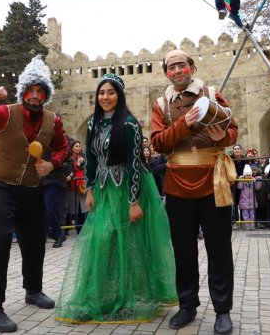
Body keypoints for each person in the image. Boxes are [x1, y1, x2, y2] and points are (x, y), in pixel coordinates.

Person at [0, 56, 68, 333]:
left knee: (35, 240)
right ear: (23, 91)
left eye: (40, 91)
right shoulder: (5, 112)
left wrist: (52, 163)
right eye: (30, 90)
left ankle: (33, 290)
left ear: (46, 94)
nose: (34, 95)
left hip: (31, 186)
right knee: (1, 240)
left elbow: (63, 147)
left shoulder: (53, 121)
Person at [55, 73, 177, 323]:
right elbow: (89, 158)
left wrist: (134, 203)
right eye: (102, 92)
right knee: (101, 242)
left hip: (126, 191)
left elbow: (135, 163)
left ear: (119, 96)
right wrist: (89, 190)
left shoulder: (130, 124)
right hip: (102, 189)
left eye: (111, 92)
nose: (105, 97)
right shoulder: (93, 124)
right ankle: (99, 297)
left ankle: (131, 297)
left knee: (128, 243)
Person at [150, 49, 239, 335]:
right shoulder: (161, 104)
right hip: (177, 185)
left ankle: (222, 311)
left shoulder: (212, 94)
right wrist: (183, 124)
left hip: (214, 182)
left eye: (181, 65)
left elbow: (232, 129)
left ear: (191, 67)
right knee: (184, 250)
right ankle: (187, 305)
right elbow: (158, 143)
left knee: (219, 249)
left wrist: (223, 137)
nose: (177, 71)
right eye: (171, 67)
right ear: (167, 72)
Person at [64, 139, 87, 234]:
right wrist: (76, 165)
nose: (78, 148)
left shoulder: (83, 157)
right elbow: (68, 169)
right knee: (70, 207)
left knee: (82, 207)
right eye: (76, 146)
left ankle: (80, 228)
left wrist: (81, 164)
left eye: (79, 146)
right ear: (72, 148)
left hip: (81, 185)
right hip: (71, 185)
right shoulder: (68, 158)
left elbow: (86, 167)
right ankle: (66, 228)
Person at [236, 165, 261, 230]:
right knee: (245, 214)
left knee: (252, 213)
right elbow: (239, 187)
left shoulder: (253, 180)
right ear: (244, 175)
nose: (248, 176)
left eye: (249, 175)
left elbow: (257, 188)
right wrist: (241, 179)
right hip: (244, 200)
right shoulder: (243, 180)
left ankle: (252, 225)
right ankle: (247, 225)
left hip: (252, 200)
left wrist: (258, 180)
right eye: (246, 175)